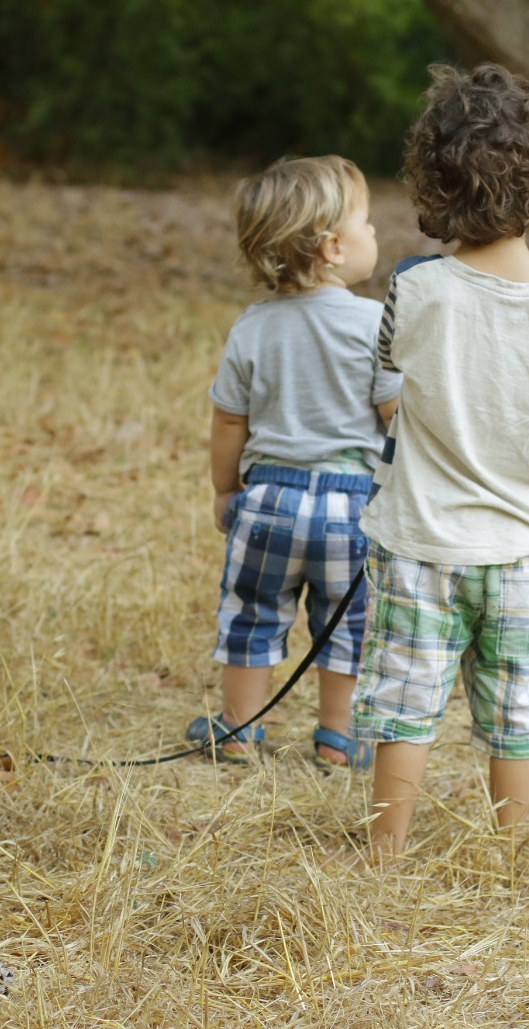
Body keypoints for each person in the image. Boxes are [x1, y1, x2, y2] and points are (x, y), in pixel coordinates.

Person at [353, 63, 529, 855]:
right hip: (519, 550)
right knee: (516, 700)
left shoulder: (414, 288)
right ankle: (509, 848)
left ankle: (385, 847)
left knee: (405, 698)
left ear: (433, 184)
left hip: (418, 540)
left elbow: (387, 387)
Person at [191, 155, 401, 766]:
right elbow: (395, 418)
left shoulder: (252, 327)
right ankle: (338, 738)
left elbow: (230, 419)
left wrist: (224, 490)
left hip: (267, 502)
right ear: (334, 247)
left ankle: (238, 728)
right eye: (367, 223)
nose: (375, 235)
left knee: (251, 616)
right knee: (347, 625)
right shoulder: (375, 324)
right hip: (352, 506)